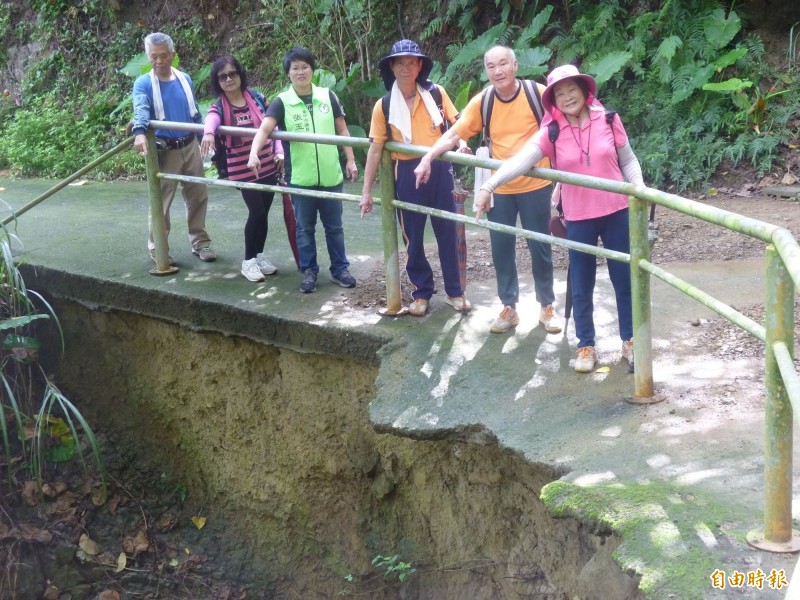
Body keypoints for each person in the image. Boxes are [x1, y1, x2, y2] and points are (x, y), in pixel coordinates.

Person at [475, 65, 644, 373]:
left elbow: (628, 159)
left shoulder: (608, 118)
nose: (568, 97)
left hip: (617, 211)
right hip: (579, 216)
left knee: (624, 279)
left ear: (584, 90)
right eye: (560, 93)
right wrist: (489, 185)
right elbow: (522, 160)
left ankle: (630, 341)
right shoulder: (552, 130)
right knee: (581, 282)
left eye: (572, 90)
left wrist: (640, 188)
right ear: (553, 98)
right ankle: (586, 345)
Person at [415, 46, 561, 334]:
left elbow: (562, 126)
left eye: (503, 64)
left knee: (540, 247)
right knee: (501, 249)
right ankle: (509, 307)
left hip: (536, 184)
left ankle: (546, 305)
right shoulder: (485, 101)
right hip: (499, 188)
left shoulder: (536, 94)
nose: (498, 71)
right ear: (486, 71)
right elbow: (455, 133)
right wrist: (428, 157)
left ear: (516, 65)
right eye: (492, 66)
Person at [360, 40, 470, 316]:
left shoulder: (436, 94)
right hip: (407, 172)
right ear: (391, 68)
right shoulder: (383, 106)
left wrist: (463, 144)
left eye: (411, 62)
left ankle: (455, 292)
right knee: (413, 236)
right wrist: (366, 191)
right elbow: (375, 150)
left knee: (448, 231)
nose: (406, 68)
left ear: (420, 65)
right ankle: (421, 293)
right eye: (400, 63)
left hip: (439, 168)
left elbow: (457, 126)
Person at [248, 47, 358, 294]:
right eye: (295, 68)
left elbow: (342, 130)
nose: (300, 72)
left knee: (335, 227)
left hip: (331, 176)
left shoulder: (328, 96)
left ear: (313, 69)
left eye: (305, 67)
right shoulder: (282, 102)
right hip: (300, 178)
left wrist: (350, 160)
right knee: (304, 229)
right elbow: (264, 129)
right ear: (288, 73)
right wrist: (254, 153)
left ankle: (340, 269)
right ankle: (309, 272)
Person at [132, 32, 215, 265]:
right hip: (164, 150)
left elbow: (194, 111)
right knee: (161, 202)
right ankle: (158, 248)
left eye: (164, 56)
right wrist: (139, 132)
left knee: (198, 196)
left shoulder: (184, 78)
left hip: (189, 145)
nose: (159, 61)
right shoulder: (144, 83)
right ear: (147, 56)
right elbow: (141, 109)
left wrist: (204, 136)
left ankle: (201, 243)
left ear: (173, 55)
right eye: (153, 57)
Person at [201, 55, 284, 282]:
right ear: (217, 82)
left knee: (264, 213)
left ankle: (258, 256)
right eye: (223, 77)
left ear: (240, 74)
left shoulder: (257, 98)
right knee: (256, 211)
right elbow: (212, 119)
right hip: (242, 168)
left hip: (267, 164)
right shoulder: (219, 106)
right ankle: (248, 261)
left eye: (232, 74)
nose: (228, 79)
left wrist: (279, 151)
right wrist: (208, 133)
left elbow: (273, 125)